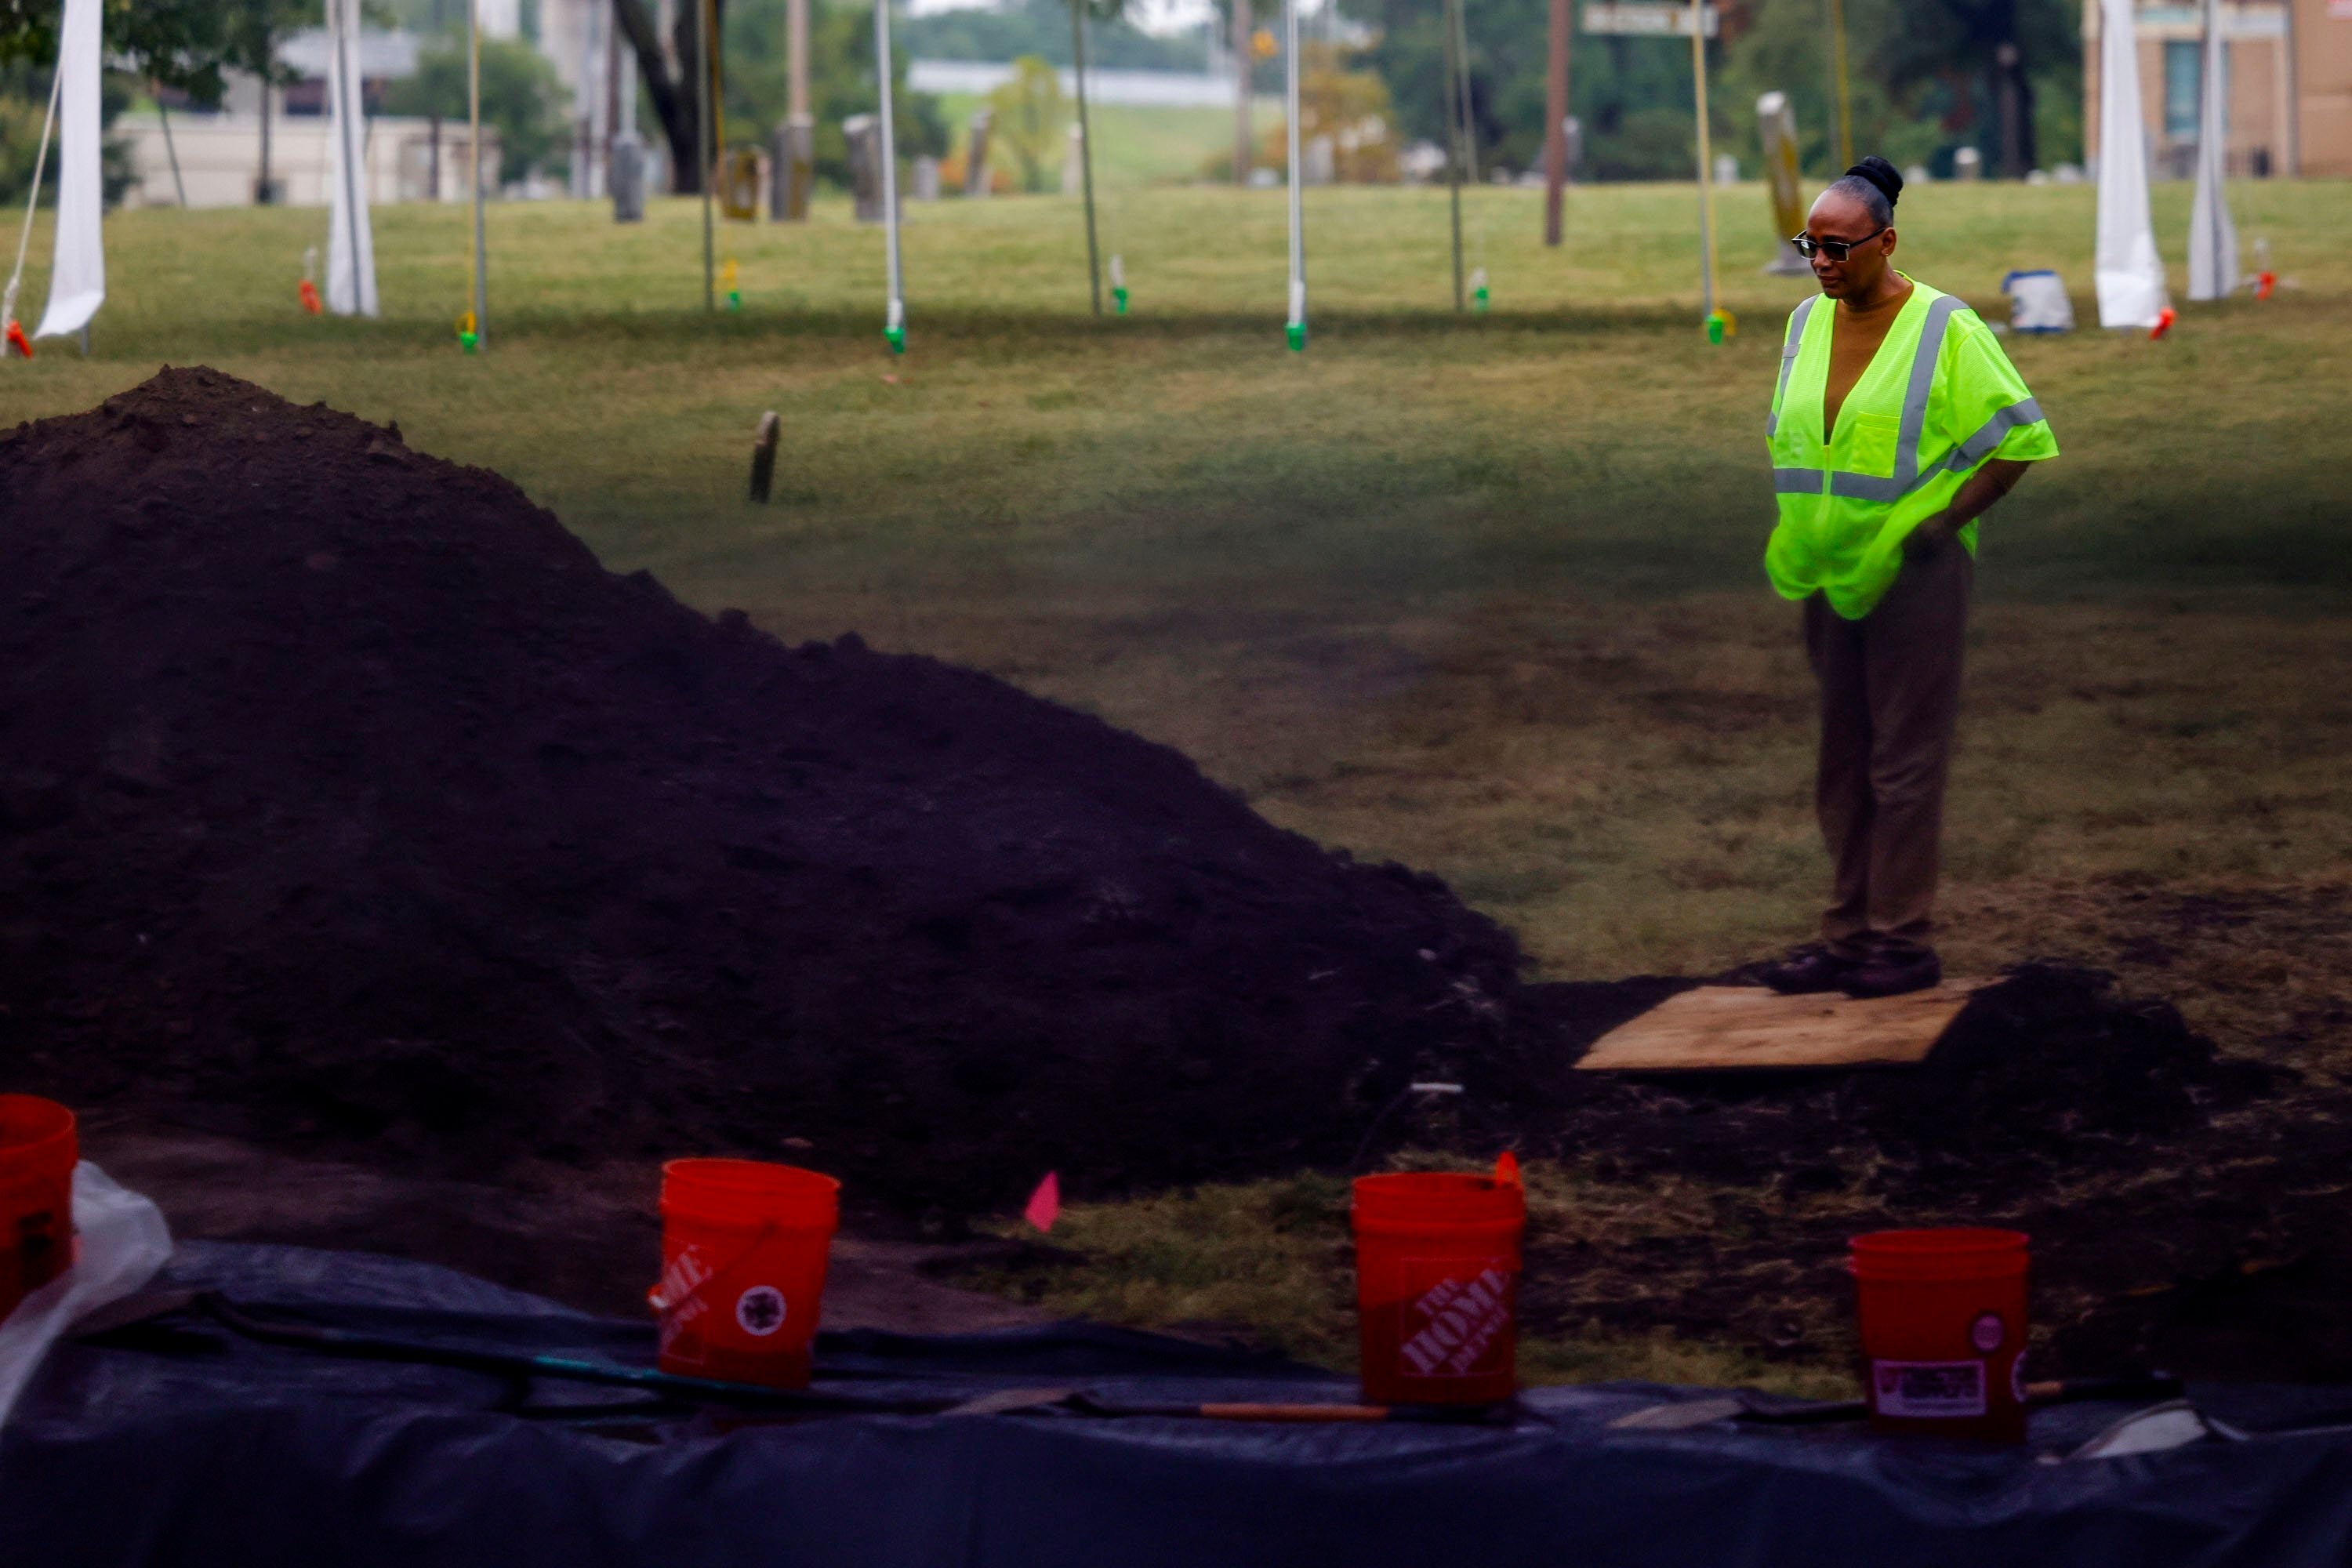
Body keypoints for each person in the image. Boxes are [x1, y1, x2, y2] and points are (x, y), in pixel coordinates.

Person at [1757, 158, 2058, 1000]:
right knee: (1842, 762)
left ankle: (1901, 940)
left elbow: (2019, 442)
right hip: (1827, 574)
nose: (1820, 262)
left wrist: (1943, 523)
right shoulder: (1804, 325)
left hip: (1915, 579)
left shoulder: (1945, 328)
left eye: (1837, 247)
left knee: (1903, 762)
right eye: (1808, 246)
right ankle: (1846, 936)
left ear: (1886, 241)